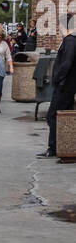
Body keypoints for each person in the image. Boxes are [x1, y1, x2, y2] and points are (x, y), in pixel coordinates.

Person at [39, 14, 76, 157]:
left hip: (64, 86)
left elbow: (67, 63)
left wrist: (58, 79)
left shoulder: (70, 41)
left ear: (64, 26)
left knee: (53, 116)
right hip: (67, 85)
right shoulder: (71, 40)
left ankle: (54, 147)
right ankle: (63, 145)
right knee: (62, 116)